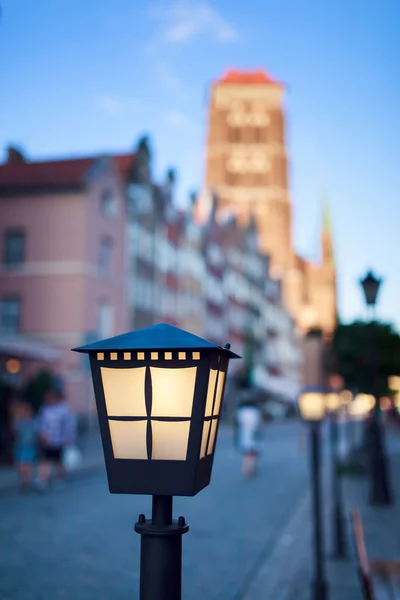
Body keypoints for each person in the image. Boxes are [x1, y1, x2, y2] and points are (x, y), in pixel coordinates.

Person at [36, 377, 76, 491]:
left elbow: (70, 425)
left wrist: (70, 439)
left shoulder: (63, 409)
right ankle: (42, 479)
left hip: (60, 440)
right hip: (47, 440)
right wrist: (42, 433)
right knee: (45, 460)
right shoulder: (45, 409)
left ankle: (60, 478)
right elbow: (41, 422)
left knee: (59, 461)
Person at [235, 372, 263, 478]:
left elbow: (238, 425)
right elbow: (258, 425)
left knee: (246, 453)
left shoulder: (241, 412)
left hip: (244, 435)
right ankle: (250, 468)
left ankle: (246, 468)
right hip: (253, 435)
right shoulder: (254, 412)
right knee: (252, 453)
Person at [12, 399, 37, 492]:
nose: (27, 413)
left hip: (29, 446)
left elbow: (36, 433)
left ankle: (27, 481)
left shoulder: (32, 422)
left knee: (28, 464)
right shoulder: (18, 422)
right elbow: (15, 429)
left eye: (28, 411)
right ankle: (23, 480)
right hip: (21, 446)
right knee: (21, 464)